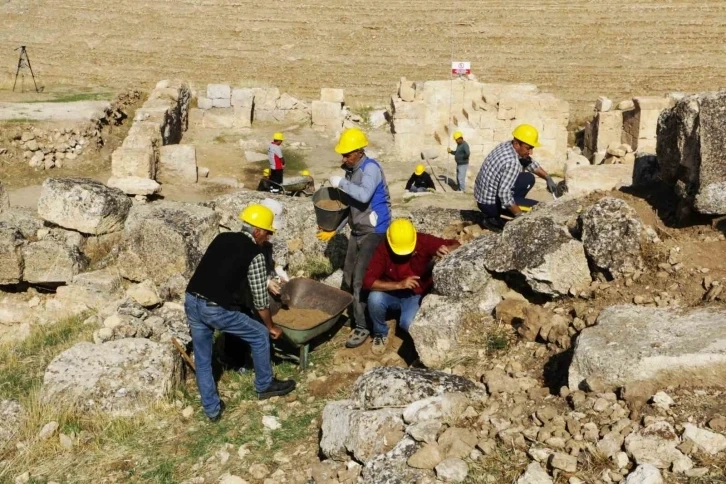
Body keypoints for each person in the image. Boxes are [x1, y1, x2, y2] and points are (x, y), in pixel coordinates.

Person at [185, 204, 296, 422]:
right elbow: (260, 300)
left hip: (191, 299)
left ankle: (212, 409)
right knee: (259, 334)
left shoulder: (222, 237)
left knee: (203, 357)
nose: (269, 236)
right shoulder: (254, 253)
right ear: (257, 231)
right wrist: (270, 327)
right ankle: (264, 384)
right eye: (268, 232)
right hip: (214, 308)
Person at [316, 127, 392, 349]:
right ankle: (360, 314)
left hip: (375, 231)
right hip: (357, 230)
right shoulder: (350, 170)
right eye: (343, 154)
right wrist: (335, 229)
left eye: (347, 154)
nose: (344, 158)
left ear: (359, 151)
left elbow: (363, 195)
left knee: (360, 279)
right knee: (349, 277)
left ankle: (366, 327)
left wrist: (341, 183)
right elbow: (350, 205)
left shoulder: (371, 169)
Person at [362, 219, 459, 354]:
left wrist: (447, 250)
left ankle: (418, 347)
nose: (405, 255)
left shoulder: (423, 241)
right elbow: (368, 282)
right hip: (392, 292)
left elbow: (457, 244)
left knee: (407, 324)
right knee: (374, 298)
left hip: (415, 294)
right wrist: (399, 285)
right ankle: (380, 332)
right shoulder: (383, 249)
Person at [473, 124, 558, 231]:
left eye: (532, 148)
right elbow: (504, 194)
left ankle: (509, 206)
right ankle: (493, 218)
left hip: (483, 196)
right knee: (537, 208)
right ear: (517, 144)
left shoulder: (507, 145)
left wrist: (547, 177)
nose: (531, 152)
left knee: (528, 178)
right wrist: (520, 216)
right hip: (490, 205)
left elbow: (528, 162)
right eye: (528, 148)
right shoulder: (512, 162)